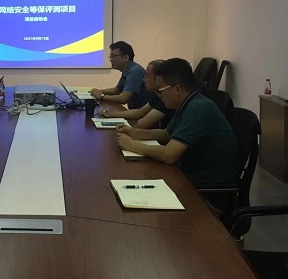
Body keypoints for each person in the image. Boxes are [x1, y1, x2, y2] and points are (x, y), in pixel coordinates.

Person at [115, 58, 239, 209]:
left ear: (177, 89)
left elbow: (169, 155)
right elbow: (167, 134)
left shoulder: (198, 108)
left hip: (206, 195)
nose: (159, 96)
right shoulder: (188, 103)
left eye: (161, 90)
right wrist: (135, 133)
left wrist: (132, 145)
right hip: (188, 179)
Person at [99, 60, 174, 128]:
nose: (143, 79)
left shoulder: (167, 98)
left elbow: (143, 123)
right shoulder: (156, 95)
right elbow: (140, 112)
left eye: (147, 76)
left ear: (158, 79)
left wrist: (102, 96)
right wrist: (111, 114)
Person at [89, 41, 150, 109]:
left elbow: (123, 99)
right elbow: (117, 90)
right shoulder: (128, 69)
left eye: (113, 56)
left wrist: (102, 96)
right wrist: (99, 91)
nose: (111, 60)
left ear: (125, 58)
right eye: (110, 56)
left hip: (142, 113)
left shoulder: (134, 71)